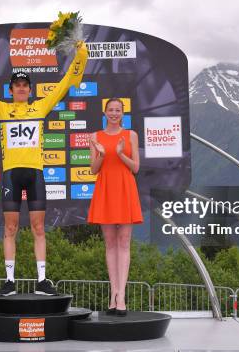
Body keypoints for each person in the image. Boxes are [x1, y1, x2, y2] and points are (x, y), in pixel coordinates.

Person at [0, 41, 88, 296]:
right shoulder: (3, 109)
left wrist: (80, 53)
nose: (20, 88)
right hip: (11, 175)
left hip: (36, 173)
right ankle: (9, 281)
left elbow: (63, 85)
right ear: (11, 89)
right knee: (10, 228)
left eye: (24, 85)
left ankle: (41, 281)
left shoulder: (41, 106)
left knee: (39, 228)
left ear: (29, 89)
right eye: (16, 85)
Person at [88, 98, 142, 316]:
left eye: (117, 110)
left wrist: (120, 153)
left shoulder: (131, 135)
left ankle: (121, 296)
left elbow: (136, 167)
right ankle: (113, 293)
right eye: (110, 110)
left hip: (126, 187)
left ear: (123, 113)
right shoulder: (94, 137)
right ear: (104, 112)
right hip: (105, 188)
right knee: (110, 243)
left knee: (124, 242)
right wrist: (101, 154)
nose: (113, 113)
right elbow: (93, 169)